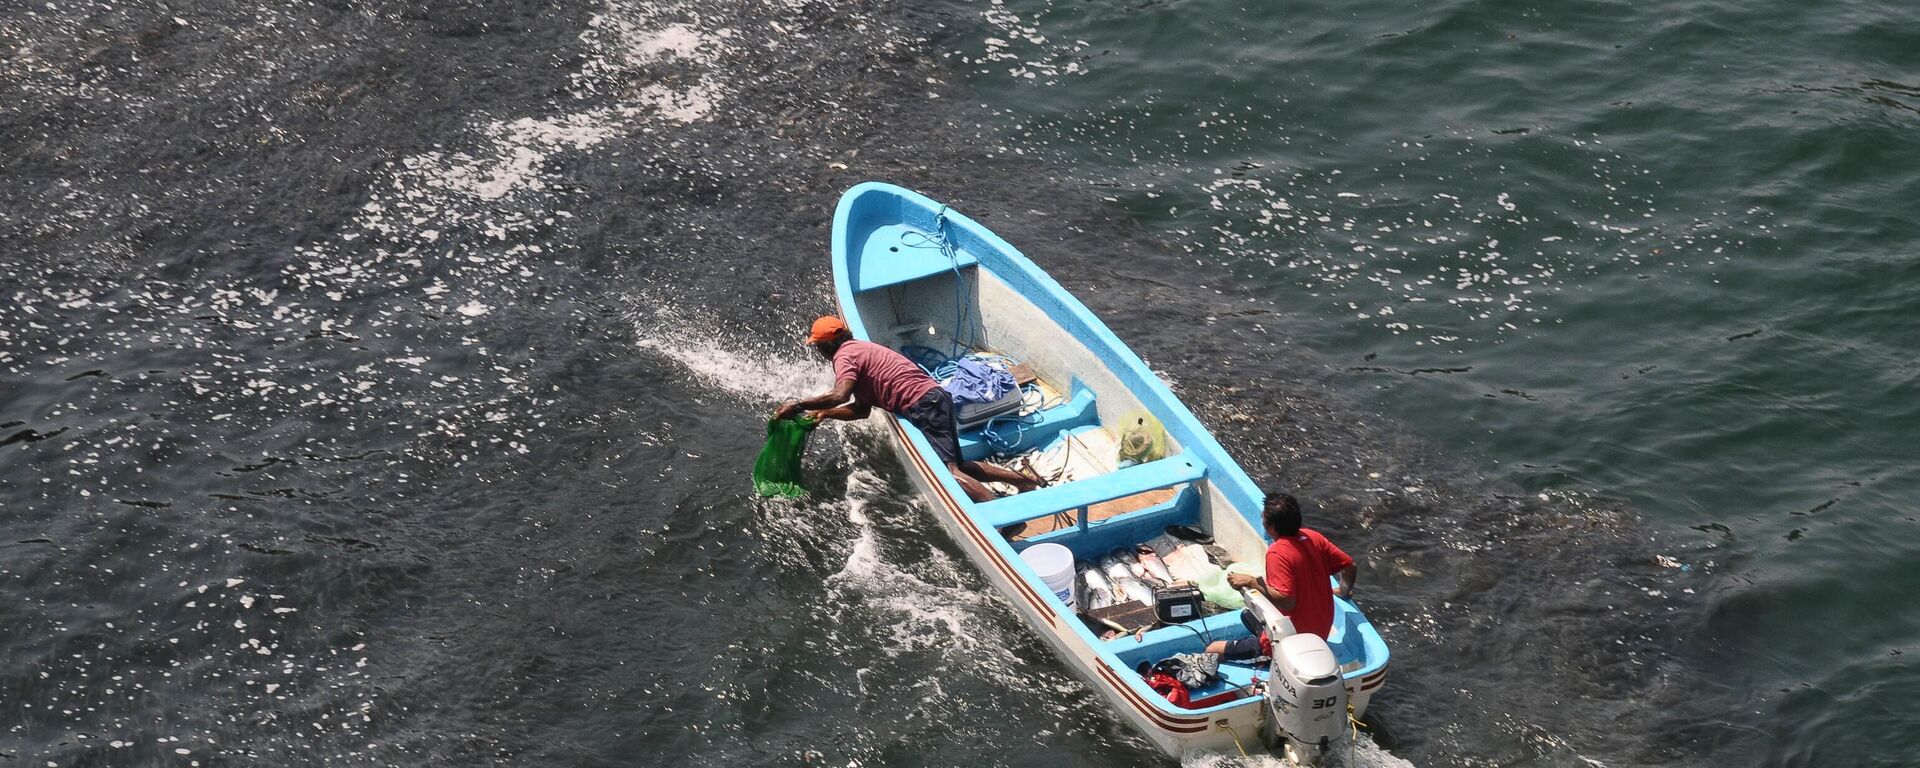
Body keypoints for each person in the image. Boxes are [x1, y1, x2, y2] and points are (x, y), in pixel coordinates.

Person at [775, 316, 1039, 503]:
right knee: (958, 465)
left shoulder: (844, 357)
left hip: (923, 404)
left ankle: (997, 514)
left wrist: (798, 405)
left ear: (827, 345)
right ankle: (1023, 482)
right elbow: (861, 409)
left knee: (949, 472)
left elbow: (839, 394)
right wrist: (826, 413)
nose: (819, 351)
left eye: (818, 346)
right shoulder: (861, 349)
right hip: (935, 398)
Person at [1206, 492, 1356, 660]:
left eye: (1263, 517)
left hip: (1290, 641)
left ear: (1271, 527)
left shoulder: (1277, 553)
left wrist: (1252, 582)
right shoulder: (1313, 537)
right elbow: (1350, 566)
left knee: (1213, 649)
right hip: (1321, 632)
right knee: (1246, 615)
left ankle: (1264, 651)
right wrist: (1344, 591)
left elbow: (1287, 601)